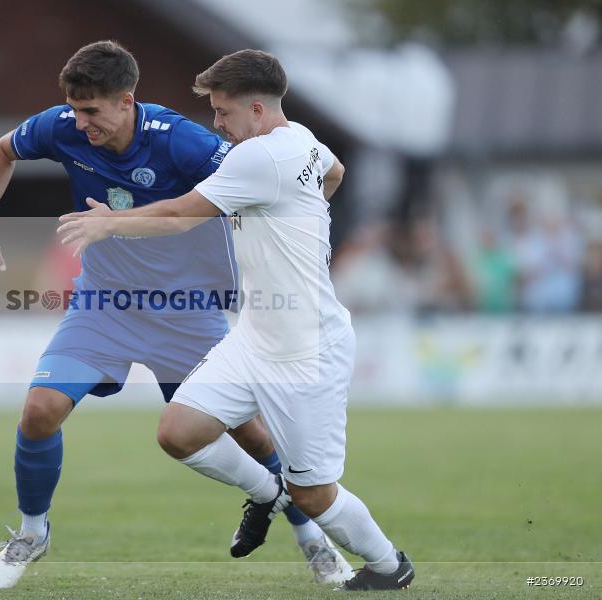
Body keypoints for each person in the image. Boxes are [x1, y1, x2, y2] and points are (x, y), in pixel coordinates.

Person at [0, 41, 349, 589]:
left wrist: (116, 224)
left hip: (186, 312)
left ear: (127, 101)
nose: (79, 121)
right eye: (73, 108)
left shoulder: (186, 143)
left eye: (91, 110)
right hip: (105, 304)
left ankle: (314, 539)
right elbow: (1, 151)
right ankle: (31, 532)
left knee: (255, 438)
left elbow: (208, 210)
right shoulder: (61, 127)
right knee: (39, 410)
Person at [59, 49, 414, 591]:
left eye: (222, 113)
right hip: (256, 336)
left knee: (315, 495)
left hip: (305, 348)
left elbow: (180, 216)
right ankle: (266, 493)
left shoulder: (259, 158)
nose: (217, 125)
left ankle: (390, 566)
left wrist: (112, 223)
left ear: (254, 108)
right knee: (179, 431)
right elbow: (334, 172)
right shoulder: (302, 139)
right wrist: (303, 219)